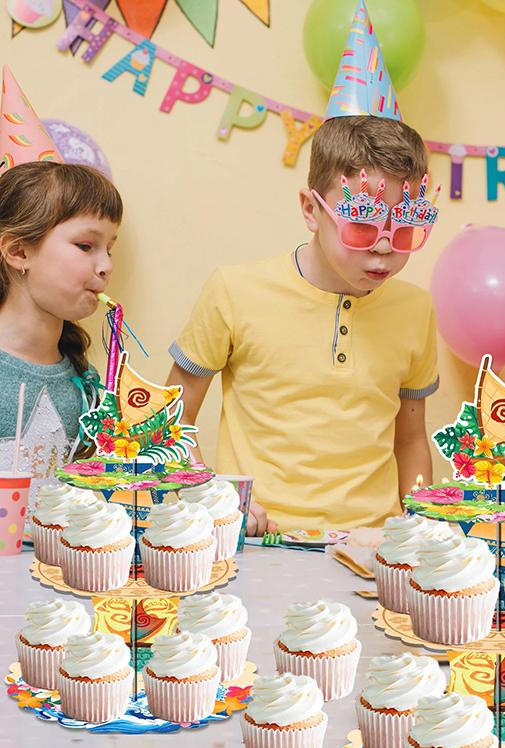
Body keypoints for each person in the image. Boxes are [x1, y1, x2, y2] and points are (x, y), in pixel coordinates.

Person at [167, 3, 440, 534]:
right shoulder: (234, 290)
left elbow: (410, 439)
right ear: (311, 209)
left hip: (373, 547)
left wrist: (421, 527)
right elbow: (170, 423)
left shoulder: (416, 309)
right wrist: (210, 498)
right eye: (362, 226)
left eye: (405, 229)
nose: (384, 250)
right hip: (258, 544)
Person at [0, 161, 122, 474]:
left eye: (109, 249)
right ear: (19, 252)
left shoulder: (88, 387)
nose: (106, 265)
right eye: (86, 246)